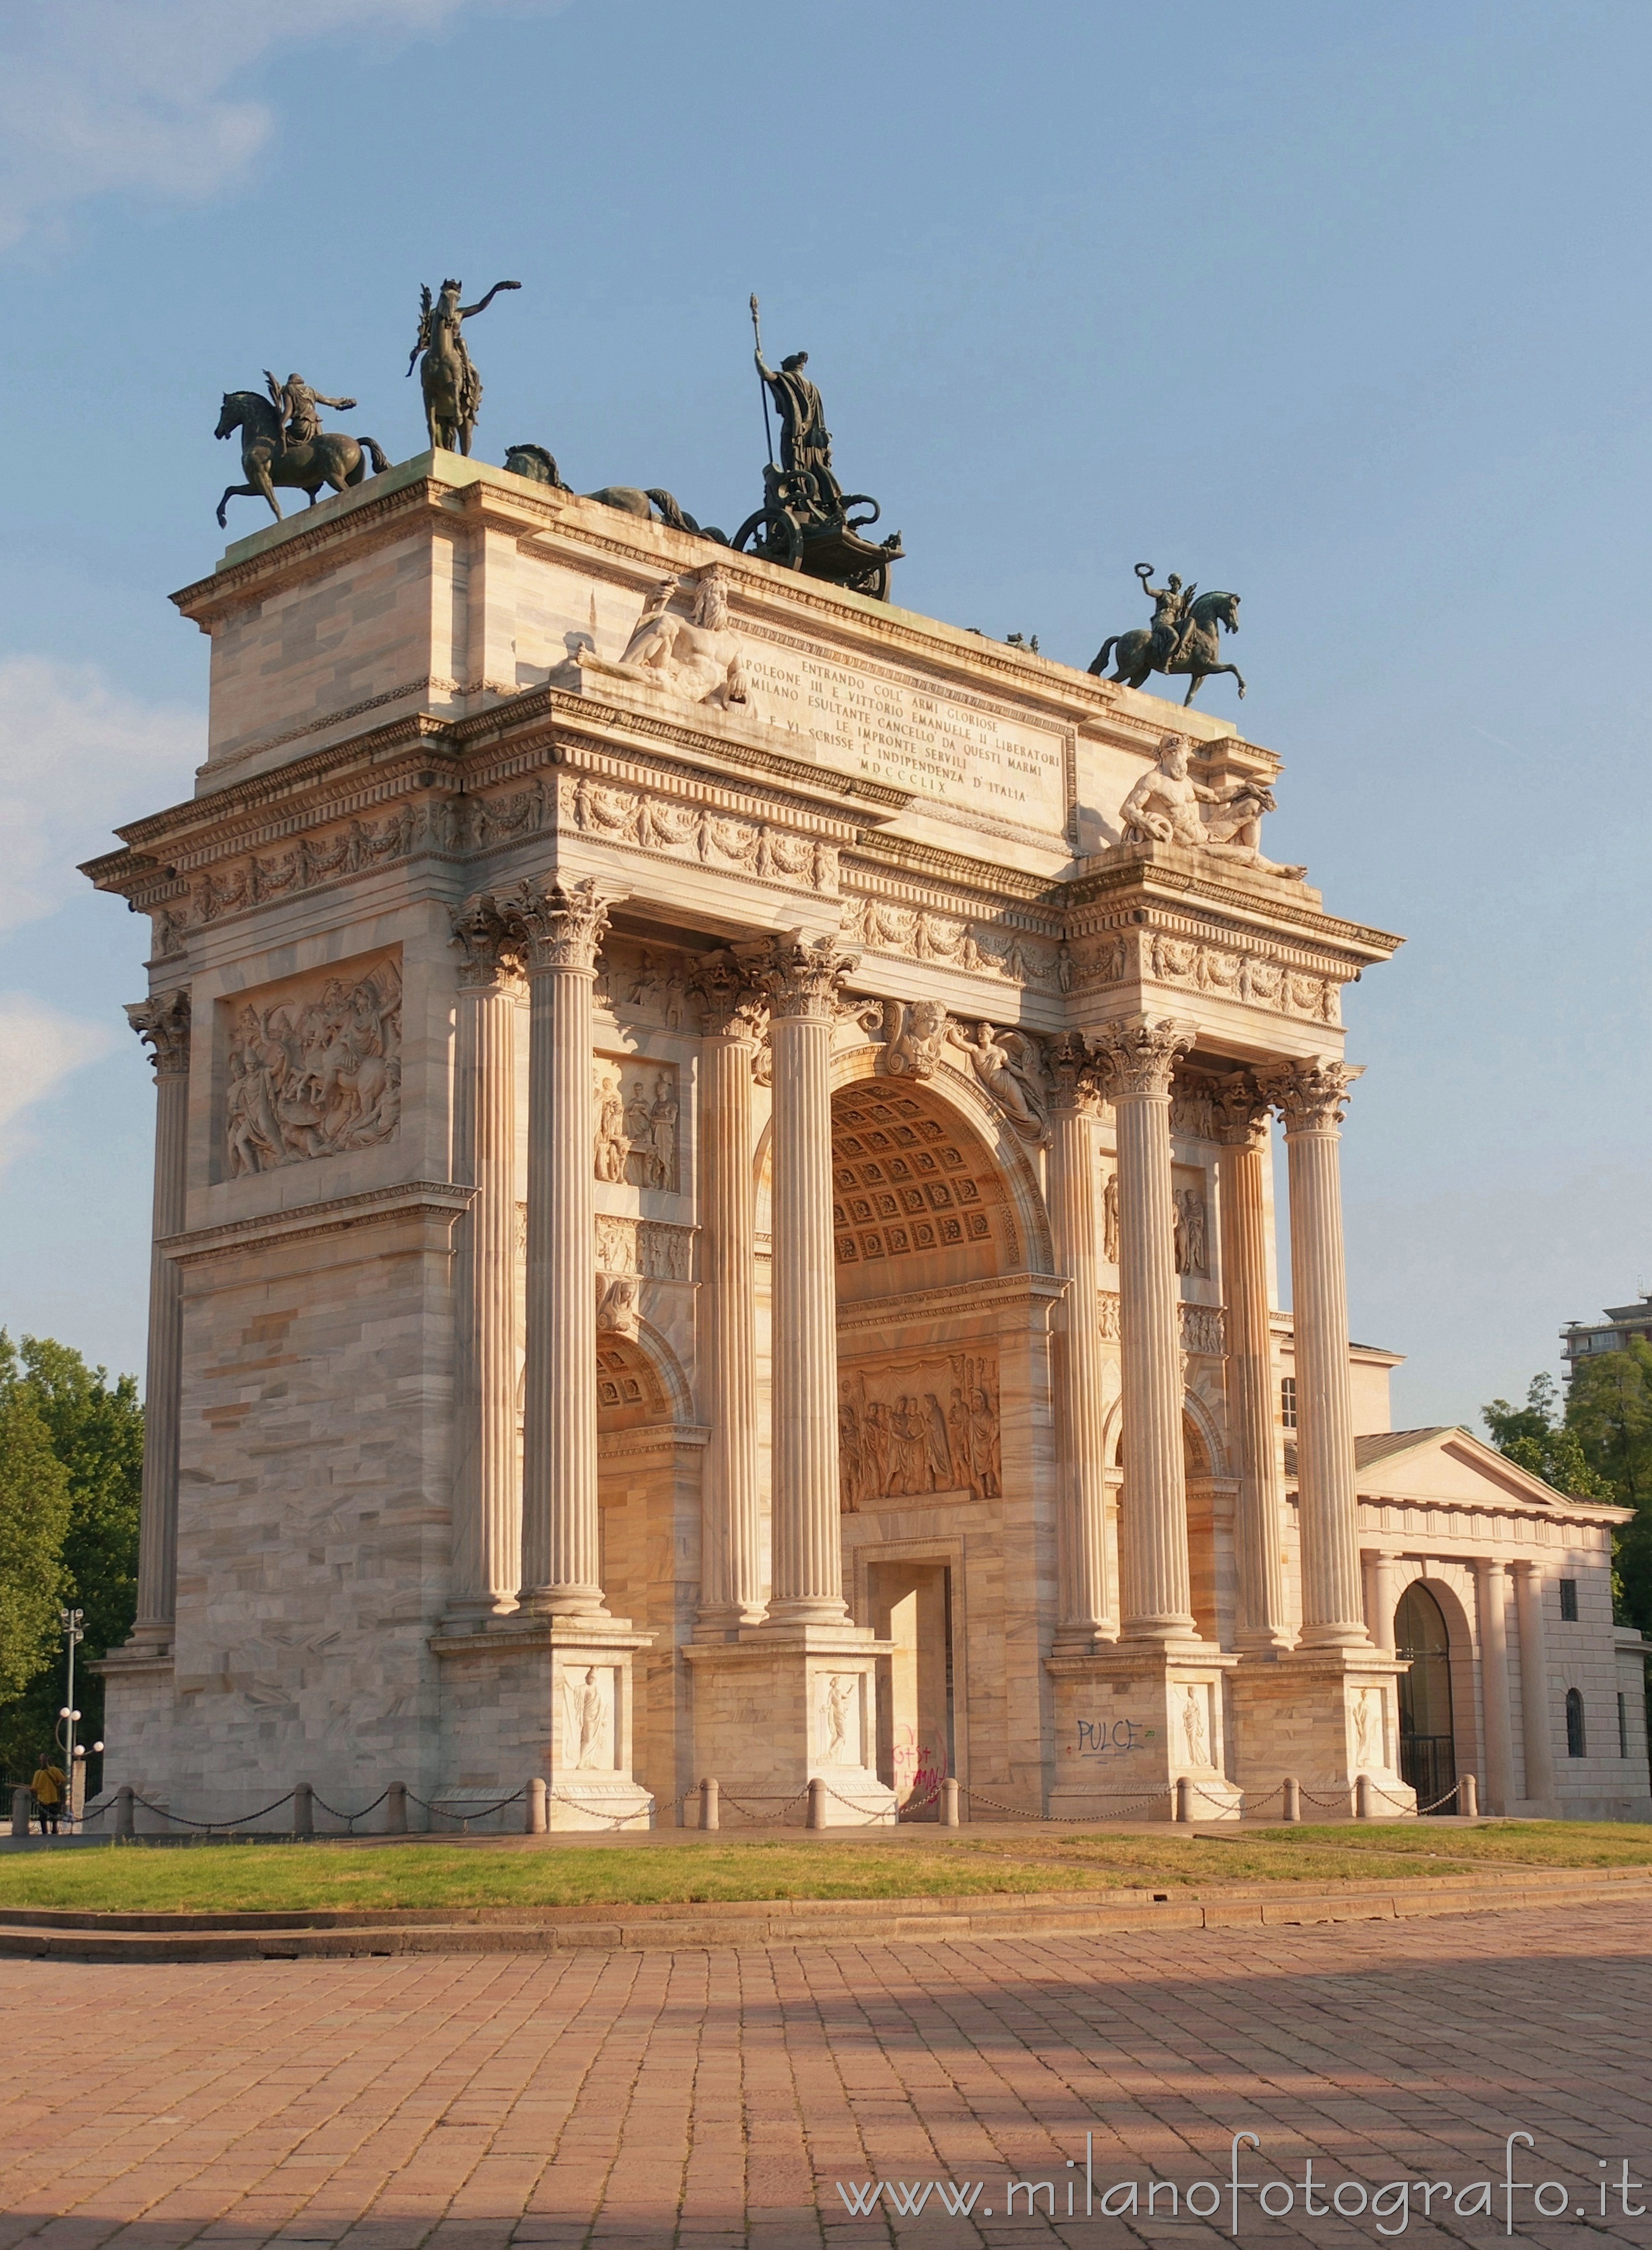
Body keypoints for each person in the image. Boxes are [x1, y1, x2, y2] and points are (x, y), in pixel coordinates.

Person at [754, 347, 843, 509]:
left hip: (795, 433)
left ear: (787, 368)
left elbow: (766, 374)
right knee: (814, 466)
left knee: (794, 467)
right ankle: (820, 498)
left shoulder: (788, 378)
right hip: (814, 439)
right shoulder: (814, 388)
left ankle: (800, 498)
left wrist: (758, 358)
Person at [265, 372, 356, 452]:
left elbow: (289, 409)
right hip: (315, 425)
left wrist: (282, 423)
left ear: (290, 381)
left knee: (279, 441)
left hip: (301, 426)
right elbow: (329, 401)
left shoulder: (289, 389)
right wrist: (343, 400)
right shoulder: (310, 390)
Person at [31, 1753, 66, 1835]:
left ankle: (45, 1832)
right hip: (54, 1797)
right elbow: (63, 1780)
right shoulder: (55, 1770)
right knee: (54, 1816)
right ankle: (54, 1831)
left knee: (43, 1817)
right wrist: (58, 1785)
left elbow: (34, 1788)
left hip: (43, 1798)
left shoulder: (38, 1773)